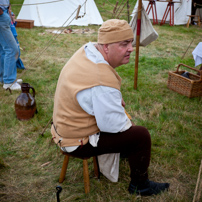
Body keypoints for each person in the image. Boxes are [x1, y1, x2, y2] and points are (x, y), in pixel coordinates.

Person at [51, 19, 170, 196]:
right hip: (74, 140)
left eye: (130, 42)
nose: (131, 48)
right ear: (105, 47)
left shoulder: (88, 50)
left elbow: (95, 92)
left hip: (63, 126)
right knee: (140, 136)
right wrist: (122, 115)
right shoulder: (100, 78)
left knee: (124, 120)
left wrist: (112, 101)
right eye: (124, 44)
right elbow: (113, 126)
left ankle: (123, 154)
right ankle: (140, 185)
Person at [0, 1, 21, 90]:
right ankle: (9, 82)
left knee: (3, 50)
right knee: (12, 49)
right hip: (1, 16)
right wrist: (2, 14)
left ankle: (3, 79)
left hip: (4, 14)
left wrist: (9, 12)